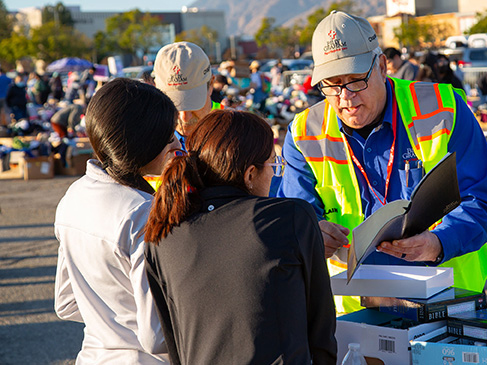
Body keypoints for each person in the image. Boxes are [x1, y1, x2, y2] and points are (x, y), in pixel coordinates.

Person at [277, 11, 487, 313]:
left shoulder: (444, 109)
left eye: (356, 81)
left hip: (448, 296)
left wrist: (438, 243)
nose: (345, 98)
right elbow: (293, 218)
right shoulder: (304, 132)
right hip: (355, 308)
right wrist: (312, 234)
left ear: (381, 66)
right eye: (331, 84)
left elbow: (480, 201)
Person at [143, 109, 337, 364]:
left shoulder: (162, 232)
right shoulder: (290, 217)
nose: (274, 174)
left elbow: (174, 341)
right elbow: (321, 328)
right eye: (273, 164)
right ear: (249, 174)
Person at [54, 78, 180, 363]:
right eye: (169, 136)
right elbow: (155, 336)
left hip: (92, 355)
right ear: (143, 141)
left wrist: (108, 319)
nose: (177, 144)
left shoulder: (74, 196)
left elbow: (66, 303)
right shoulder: (143, 213)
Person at [154, 41, 218, 152]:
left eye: (193, 103)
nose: (184, 117)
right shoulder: (148, 144)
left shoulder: (238, 137)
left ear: (211, 85)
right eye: (174, 105)